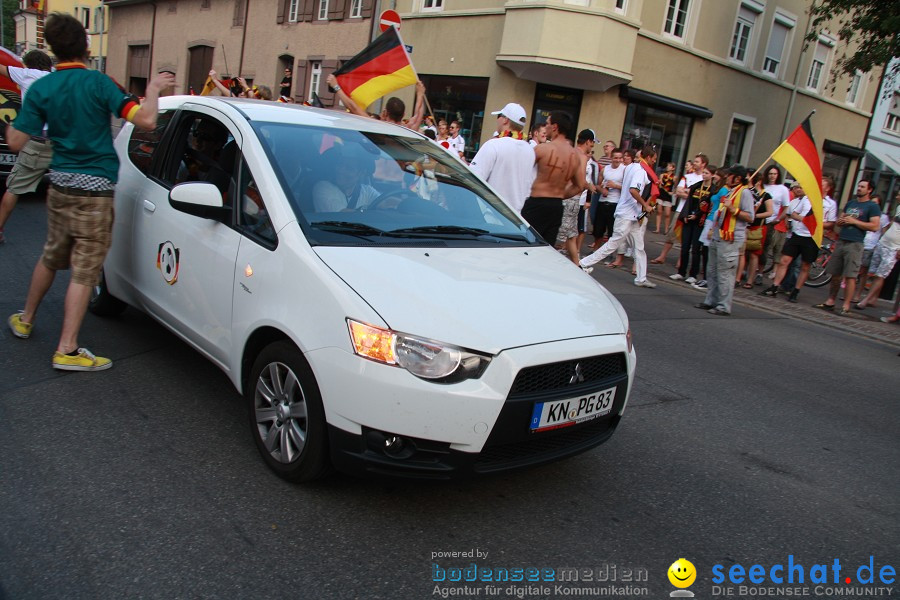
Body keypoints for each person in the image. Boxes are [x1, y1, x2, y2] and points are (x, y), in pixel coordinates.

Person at [6, 12, 174, 371]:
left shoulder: (41, 89)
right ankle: (67, 348)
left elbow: (17, 141)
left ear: (52, 48)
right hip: (95, 191)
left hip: (60, 185)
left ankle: (26, 318)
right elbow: (145, 120)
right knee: (85, 270)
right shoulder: (100, 84)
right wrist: (154, 90)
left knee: (51, 256)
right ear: (85, 45)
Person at [579, 145, 658, 288]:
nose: (654, 162)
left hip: (630, 214)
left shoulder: (632, 167)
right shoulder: (640, 171)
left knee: (639, 246)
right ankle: (584, 263)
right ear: (648, 158)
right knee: (613, 243)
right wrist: (645, 205)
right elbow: (633, 190)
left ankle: (641, 278)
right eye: (654, 159)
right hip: (627, 214)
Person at [0, 49, 54, 244]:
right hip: (60, 144)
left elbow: (2, 68)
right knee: (62, 190)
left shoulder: (25, 74)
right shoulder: (58, 78)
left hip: (35, 142)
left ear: (28, 64)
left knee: (13, 188)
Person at [814, 179, 882, 315]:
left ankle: (846, 306)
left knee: (851, 276)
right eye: (858, 186)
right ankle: (830, 301)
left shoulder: (872, 206)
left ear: (869, 190)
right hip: (842, 241)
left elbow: (875, 226)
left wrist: (854, 221)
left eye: (863, 187)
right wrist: (841, 221)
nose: (859, 189)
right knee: (835, 273)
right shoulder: (851, 203)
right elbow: (841, 219)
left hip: (855, 243)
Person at [694, 164, 755, 315]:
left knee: (725, 273)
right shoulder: (730, 191)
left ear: (738, 178)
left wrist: (734, 209)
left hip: (730, 238)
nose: (727, 177)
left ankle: (723, 305)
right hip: (718, 235)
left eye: (730, 175)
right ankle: (711, 300)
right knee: (712, 270)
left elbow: (750, 216)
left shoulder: (744, 193)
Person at [760, 181, 831, 303]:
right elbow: (794, 213)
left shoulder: (830, 204)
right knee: (784, 261)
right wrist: (804, 219)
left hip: (812, 238)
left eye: (823, 184)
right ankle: (774, 287)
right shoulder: (807, 198)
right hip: (798, 235)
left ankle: (795, 291)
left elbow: (831, 223)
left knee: (805, 266)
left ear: (828, 188)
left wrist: (816, 224)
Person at [521, 110, 584, 245]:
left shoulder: (543, 149)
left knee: (523, 244)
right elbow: (580, 185)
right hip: (556, 206)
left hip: (537, 203)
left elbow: (521, 171)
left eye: (547, 123)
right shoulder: (574, 156)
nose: (546, 126)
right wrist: (561, 195)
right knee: (545, 247)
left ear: (555, 127)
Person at [468, 102, 535, 214]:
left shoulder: (494, 145)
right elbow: (529, 189)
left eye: (499, 116)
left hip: (489, 215)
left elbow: (473, 180)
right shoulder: (530, 151)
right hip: (515, 219)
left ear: (505, 120)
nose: (497, 120)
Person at [652, 153, 707, 265]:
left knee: (686, 238)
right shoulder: (687, 177)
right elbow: (678, 191)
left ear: (703, 164)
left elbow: (703, 197)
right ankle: (662, 256)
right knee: (671, 234)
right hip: (681, 210)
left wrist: (688, 193)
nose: (694, 164)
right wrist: (692, 195)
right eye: (694, 161)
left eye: (697, 162)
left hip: (694, 212)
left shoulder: (704, 178)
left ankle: (681, 261)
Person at [327, 73, 425, 130]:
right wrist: (420, 94)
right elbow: (418, 115)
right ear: (403, 114)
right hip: (398, 166)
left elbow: (353, 108)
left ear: (385, 112)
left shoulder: (378, 127)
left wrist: (336, 87)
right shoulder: (407, 130)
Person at [555, 129, 596, 265]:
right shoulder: (582, 156)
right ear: (588, 141)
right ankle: (555, 262)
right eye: (592, 143)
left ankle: (577, 264)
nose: (592, 146)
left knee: (572, 235)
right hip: (571, 198)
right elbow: (580, 181)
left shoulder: (570, 152)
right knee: (562, 236)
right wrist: (589, 186)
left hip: (567, 196)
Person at [669, 164, 714, 283]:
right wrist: (685, 215)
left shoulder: (713, 190)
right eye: (703, 173)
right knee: (684, 247)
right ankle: (681, 272)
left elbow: (708, 206)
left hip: (700, 222)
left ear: (712, 175)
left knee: (696, 248)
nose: (704, 175)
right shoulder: (696, 186)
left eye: (707, 173)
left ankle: (693, 274)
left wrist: (697, 215)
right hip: (689, 219)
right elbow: (688, 201)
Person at [856, 197, 900, 310]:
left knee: (881, 275)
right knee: (875, 273)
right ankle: (873, 298)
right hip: (883, 243)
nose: (896, 197)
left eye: (899, 195)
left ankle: (865, 300)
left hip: (894, 248)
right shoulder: (899, 207)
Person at [310, 144, 379, 212]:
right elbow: (342, 215)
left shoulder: (367, 191)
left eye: (349, 168)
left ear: (361, 173)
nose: (340, 171)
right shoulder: (323, 187)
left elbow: (385, 202)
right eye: (340, 164)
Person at [736, 173, 773, 288]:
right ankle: (739, 275)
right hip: (744, 225)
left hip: (757, 227)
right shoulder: (744, 191)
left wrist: (755, 215)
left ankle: (750, 280)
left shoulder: (765, 195)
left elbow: (770, 212)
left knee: (753, 255)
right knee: (742, 253)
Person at [853, 193, 888, 303]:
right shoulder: (865, 212)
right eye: (872, 202)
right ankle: (850, 292)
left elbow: (883, 232)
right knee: (854, 269)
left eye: (876, 203)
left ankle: (858, 295)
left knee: (863, 271)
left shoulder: (883, 217)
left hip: (870, 245)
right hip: (859, 241)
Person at [760, 165, 791, 280]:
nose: (772, 176)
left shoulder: (782, 189)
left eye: (775, 174)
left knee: (766, 247)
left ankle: (760, 272)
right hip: (758, 220)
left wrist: (778, 219)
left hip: (770, 222)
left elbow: (786, 206)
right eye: (770, 173)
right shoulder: (763, 186)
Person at [591, 147, 624, 250]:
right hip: (603, 201)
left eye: (620, 158)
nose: (617, 160)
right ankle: (596, 250)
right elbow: (598, 185)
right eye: (615, 158)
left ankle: (609, 253)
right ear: (611, 158)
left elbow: (628, 188)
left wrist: (616, 186)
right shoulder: (605, 169)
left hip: (615, 203)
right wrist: (602, 190)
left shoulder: (624, 170)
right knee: (598, 229)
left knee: (612, 230)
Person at [656, 161, 676, 234]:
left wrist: (673, 192)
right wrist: (660, 184)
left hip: (668, 196)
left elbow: (675, 187)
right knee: (659, 211)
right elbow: (660, 185)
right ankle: (657, 229)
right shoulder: (662, 175)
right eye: (668, 166)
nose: (667, 167)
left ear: (673, 168)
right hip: (661, 194)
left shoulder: (674, 177)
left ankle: (666, 230)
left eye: (669, 166)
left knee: (667, 214)